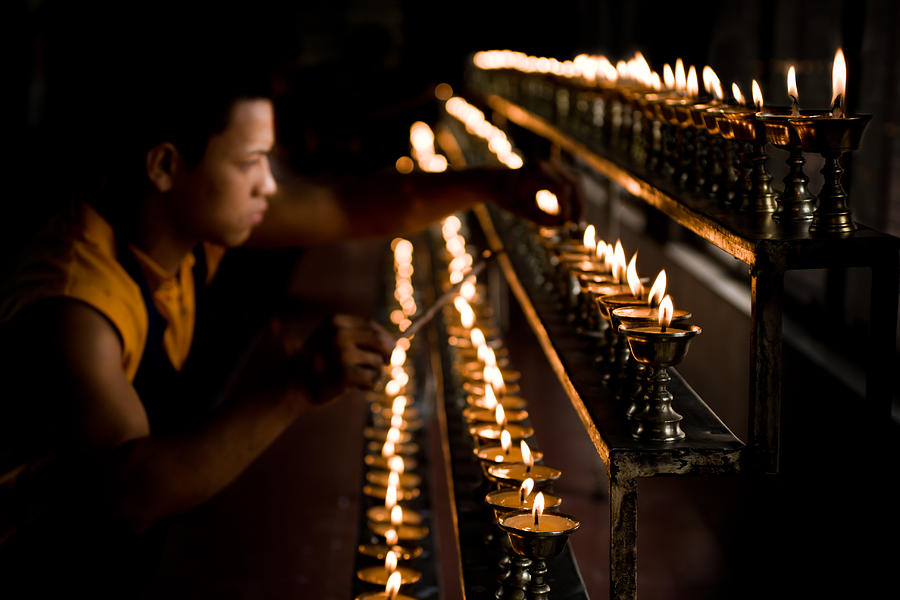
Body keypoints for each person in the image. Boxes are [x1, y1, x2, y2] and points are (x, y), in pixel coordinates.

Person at [0, 17, 581, 597]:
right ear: (165, 166)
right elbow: (133, 495)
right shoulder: (78, 308)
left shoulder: (184, 218)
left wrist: (492, 185)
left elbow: (349, 207)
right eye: (250, 162)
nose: (270, 186)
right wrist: (295, 386)